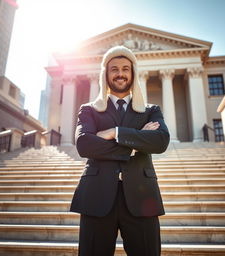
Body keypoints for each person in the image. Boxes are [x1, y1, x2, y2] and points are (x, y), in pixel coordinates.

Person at [70, 45, 170, 256]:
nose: (120, 74)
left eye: (125, 68)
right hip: (96, 197)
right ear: (105, 74)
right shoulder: (89, 109)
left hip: (143, 198)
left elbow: (161, 141)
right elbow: (84, 144)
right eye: (114, 69)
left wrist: (115, 132)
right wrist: (135, 142)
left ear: (133, 73)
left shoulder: (151, 110)